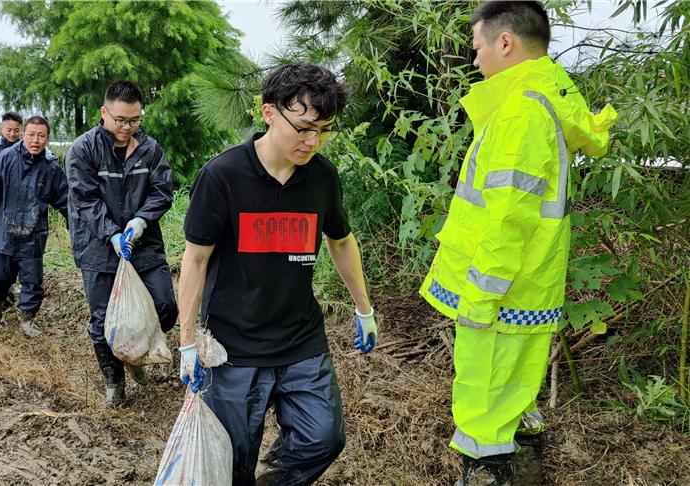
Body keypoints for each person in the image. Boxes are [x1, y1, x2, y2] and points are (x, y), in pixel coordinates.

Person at [417, 2, 617, 484]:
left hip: (499, 293)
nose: (475, 59)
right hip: (525, 287)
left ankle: (489, 472)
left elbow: (509, 219)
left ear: (505, 43)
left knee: (485, 410)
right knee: (513, 400)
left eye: (478, 46)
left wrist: (481, 296)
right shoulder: (544, 98)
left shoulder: (520, 113)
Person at [176, 62, 379, 485]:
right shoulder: (223, 175)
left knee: (322, 439)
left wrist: (364, 310)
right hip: (234, 347)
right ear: (269, 113)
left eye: (324, 130)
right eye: (303, 128)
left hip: (300, 340)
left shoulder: (322, 177)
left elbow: (340, 241)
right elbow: (194, 261)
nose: (313, 141)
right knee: (233, 458)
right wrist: (187, 342)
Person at [66, 80, 178, 407]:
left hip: (143, 245)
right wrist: (112, 233)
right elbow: (84, 200)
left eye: (134, 120)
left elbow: (162, 191)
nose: (127, 127)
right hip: (98, 249)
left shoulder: (149, 149)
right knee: (103, 322)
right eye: (120, 120)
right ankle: (115, 384)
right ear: (104, 112)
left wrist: (140, 221)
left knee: (165, 308)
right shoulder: (83, 150)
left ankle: (134, 355)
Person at [0, 116, 68, 337]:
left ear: (47, 138)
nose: (36, 140)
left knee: (32, 280)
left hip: (34, 234)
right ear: (23, 134)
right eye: (31, 134)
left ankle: (27, 318)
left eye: (41, 135)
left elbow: (64, 198)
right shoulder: (5, 158)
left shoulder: (51, 167)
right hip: (3, 231)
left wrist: (75, 222)